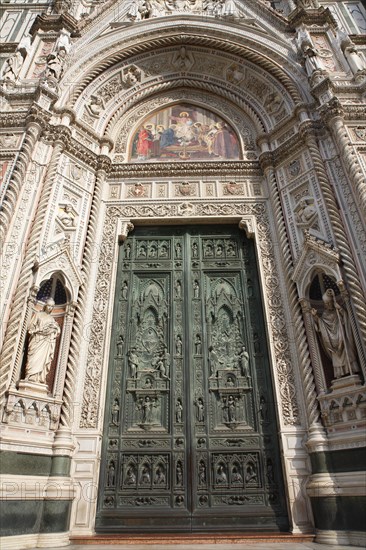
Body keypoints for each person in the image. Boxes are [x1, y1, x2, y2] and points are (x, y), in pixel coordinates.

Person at [311, 289, 359, 379]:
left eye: (329, 303)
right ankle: (340, 374)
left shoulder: (337, 311)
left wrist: (340, 308)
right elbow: (322, 324)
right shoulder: (325, 314)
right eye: (326, 304)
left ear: (333, 302)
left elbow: (345, 318)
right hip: (332, 342)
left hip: (342, 338)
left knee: (347, 355)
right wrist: (315, 316)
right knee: (337, 359)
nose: (328, 305)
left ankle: (351, 371)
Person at [24, 299, 61, 385]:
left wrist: (54, 329)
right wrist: (39, 330)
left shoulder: (52, 319)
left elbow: (57, 332)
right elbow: (30, 328)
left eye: (52, 306)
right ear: (45, 305)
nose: (50, 307)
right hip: (37, 340)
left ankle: (39, 377)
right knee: (33, 359)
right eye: (48, 305)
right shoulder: (38, 315)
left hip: (46, 342)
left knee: (43, 360)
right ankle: (29, 376)